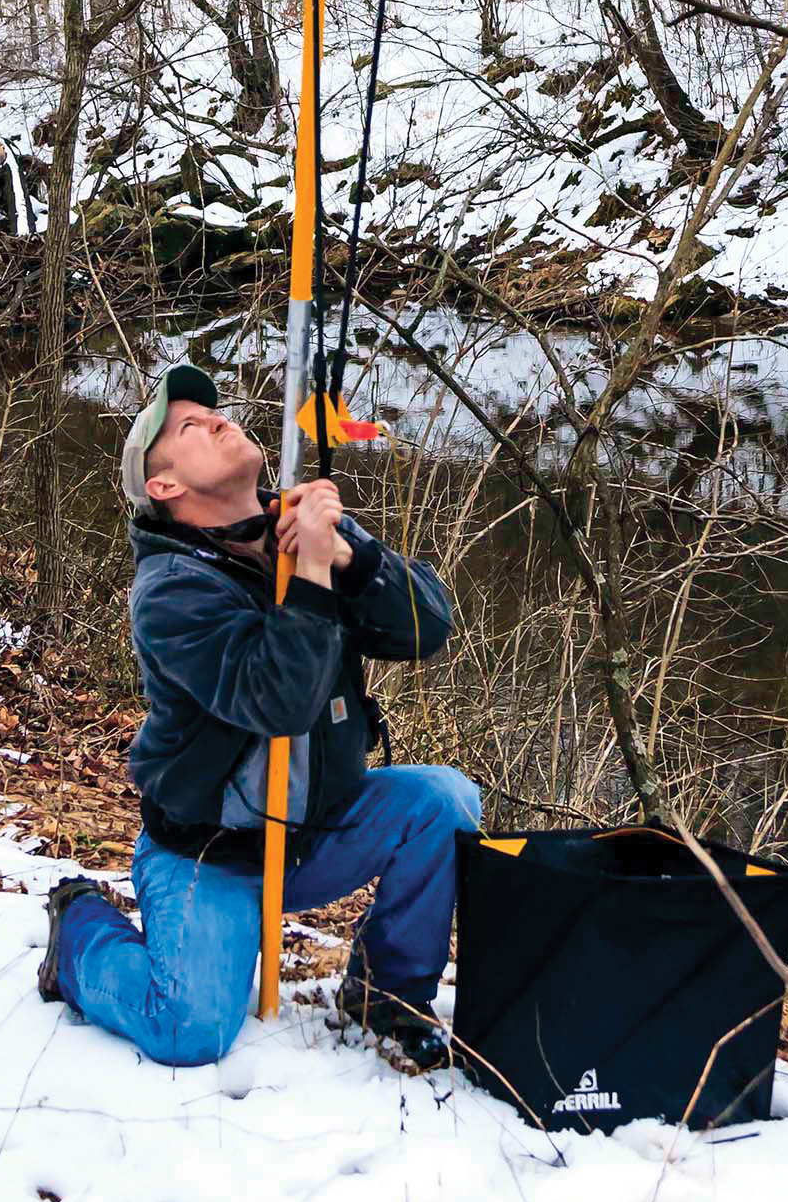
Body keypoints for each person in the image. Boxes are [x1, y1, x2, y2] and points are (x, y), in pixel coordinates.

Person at [37, 362, 479, 1071]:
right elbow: (275, 701)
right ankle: (80, 932)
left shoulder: (300, 522)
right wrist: (308, 576)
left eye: (212, 413)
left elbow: (429, 630)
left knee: (442, 800)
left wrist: (349, 558)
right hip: (212, 853)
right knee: (189, 1030)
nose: (218, 419)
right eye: (190, 427)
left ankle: (389, 994)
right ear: (165, 487)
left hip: (315, 831)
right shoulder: (171, 591)